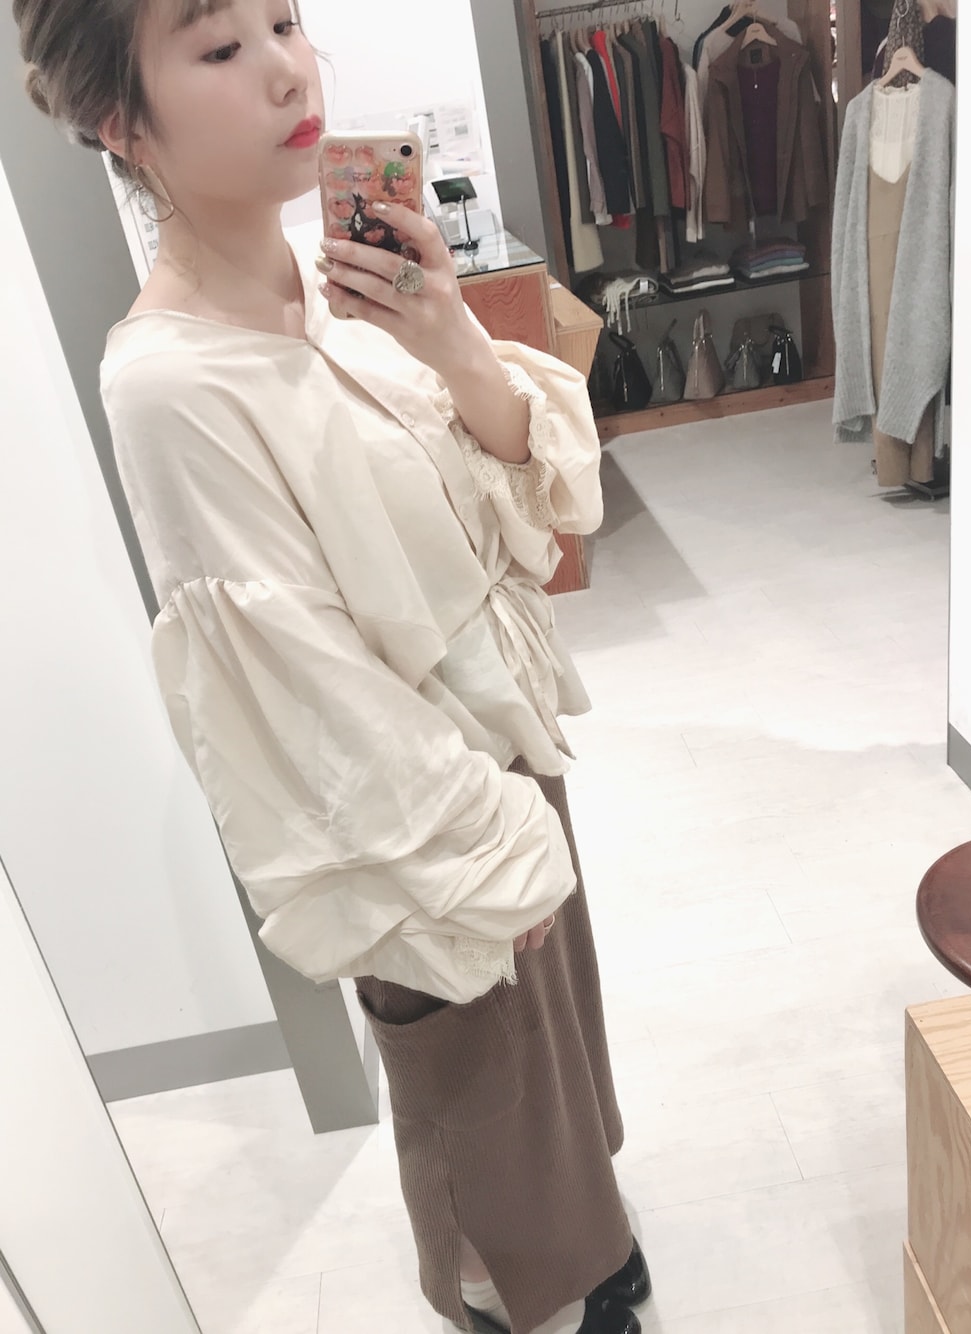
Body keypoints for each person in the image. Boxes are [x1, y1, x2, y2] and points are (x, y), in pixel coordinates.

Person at [14, 2, 652, 1331]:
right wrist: (482, 847)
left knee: (549, 1050)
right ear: (121, 122)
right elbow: (302, 686)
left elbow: (527, 507)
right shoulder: (170, 384)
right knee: (473, 1085)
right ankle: (517, 1292)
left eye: (284, 21)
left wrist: (449, 335)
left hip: (504, 747)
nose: (287, 69)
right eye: (219, 47)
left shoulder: (342, 286)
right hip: (407, 823)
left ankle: (582, 1239)